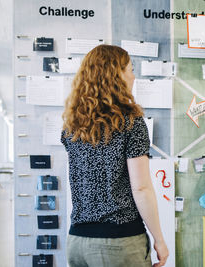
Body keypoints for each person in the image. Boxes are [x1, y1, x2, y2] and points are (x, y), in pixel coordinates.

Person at [62, 44, 168, 267]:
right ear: (115, 76)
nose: (133, 76)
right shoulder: (130, 122)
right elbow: (141, 188)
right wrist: (159, 238)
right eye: (129, 69)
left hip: (77, 241)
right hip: (118, 241)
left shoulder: (73, 124)